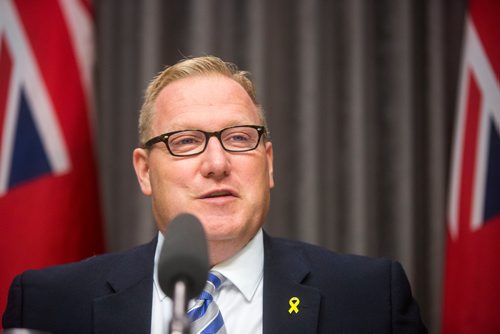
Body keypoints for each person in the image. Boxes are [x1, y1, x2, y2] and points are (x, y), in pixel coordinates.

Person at [2, 56, 427, 333]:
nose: (217, 163)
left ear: (269, 162)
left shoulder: (370, 299)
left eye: (239, 137)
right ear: (145, 171)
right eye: (186, 142)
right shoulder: (48, 306)